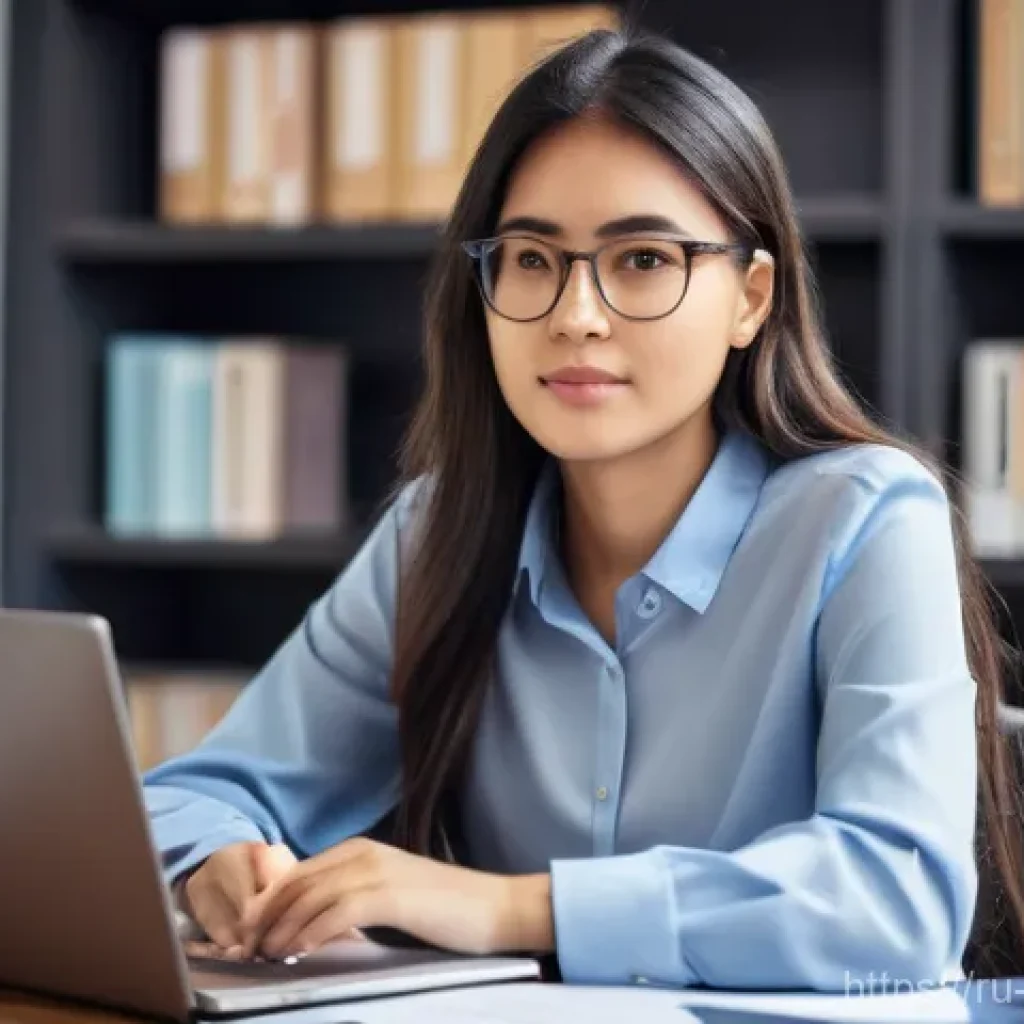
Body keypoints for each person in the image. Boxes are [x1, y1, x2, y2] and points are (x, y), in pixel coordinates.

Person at [142, 25, 1024, 990]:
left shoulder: (865, 520)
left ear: (751, 298)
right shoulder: (438, 531)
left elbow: (898, 900)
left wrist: (508, 907)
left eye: (643, 259)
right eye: (531, 258)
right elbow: (190, 796)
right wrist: (219, 866)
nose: (576, 313)